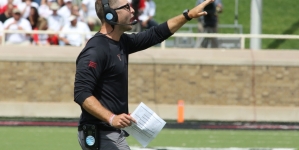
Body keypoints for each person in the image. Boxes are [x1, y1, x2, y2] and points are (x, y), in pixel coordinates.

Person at [74, 0, 214, 149]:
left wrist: (187, 15)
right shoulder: (96, 50)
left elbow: (156, 34)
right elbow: (81, 93)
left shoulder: (121, 42)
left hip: (113, 133)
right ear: (111, 15)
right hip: (101, 134)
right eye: (127, 7)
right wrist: (112, 117)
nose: (133, 10)